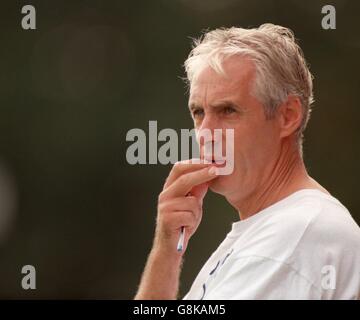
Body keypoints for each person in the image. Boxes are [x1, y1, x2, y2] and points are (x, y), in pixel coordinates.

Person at [134, 24, 360, 299]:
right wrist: (167, 250)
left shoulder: (295, 234)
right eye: (198, 112)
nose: (204, 133)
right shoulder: (271, 230)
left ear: (288, 116)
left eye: (228, 110)